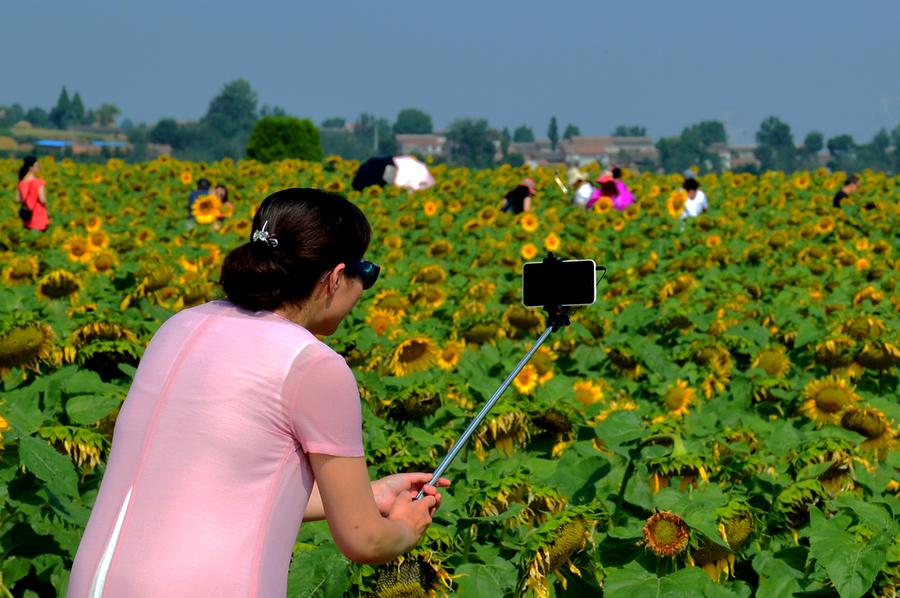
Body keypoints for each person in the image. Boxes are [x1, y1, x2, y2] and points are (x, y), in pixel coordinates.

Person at [68, 188, 448, 597]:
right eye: (367, 273)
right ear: (336, 277)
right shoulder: (313, 365)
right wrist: (407, 528)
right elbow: (364, 540)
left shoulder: (179, 326)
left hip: (97, 583)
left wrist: (369, 494)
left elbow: (232, 488)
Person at [16, 156, 48, 231]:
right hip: (39, 217)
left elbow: (18, 199)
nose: (39, 167)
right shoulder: (38, 182)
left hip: (26, 216)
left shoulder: (21, 182)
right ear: (30, 168)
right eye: (36, 165)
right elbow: (43, 200)